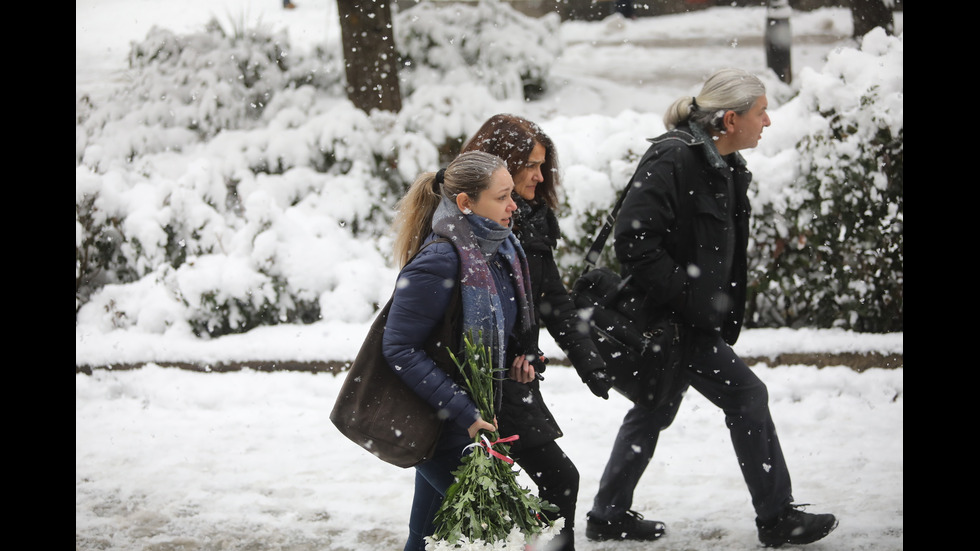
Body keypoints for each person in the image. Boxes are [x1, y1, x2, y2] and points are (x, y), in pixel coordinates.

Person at [585, 68, 838, 547]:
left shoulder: (726, 163)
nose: (767, 121)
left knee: (653, 407)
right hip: (674, 320)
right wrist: (690, 299)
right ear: (729, 118)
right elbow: (635, 242)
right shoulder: (674, 156)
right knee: (747, 396)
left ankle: (608, 514)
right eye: (759, 112)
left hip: (690, 319)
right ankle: (776, 517)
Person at [462, 115, 613, 550]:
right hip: (482, 382)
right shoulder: (469, 226)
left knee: (554, 483)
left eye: (543, 164)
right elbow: (465, 311)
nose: (539, 175)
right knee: (558, 481)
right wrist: (499, 360)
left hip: (515, 377)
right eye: (530, 164)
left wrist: (589, 361)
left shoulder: (533, 222)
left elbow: (552, 302)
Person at [382, 150, 539, 551]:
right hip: (443, 420)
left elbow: (499, 331)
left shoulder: (499, 250)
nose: (513, 205)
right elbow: (399, 347)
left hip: (468, 419)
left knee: (426, 533)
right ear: (466, 204)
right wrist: (464, 412)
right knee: (499, 532)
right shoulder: (440, 260)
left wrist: (525, 357)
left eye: (511, 195)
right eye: (502, 197)